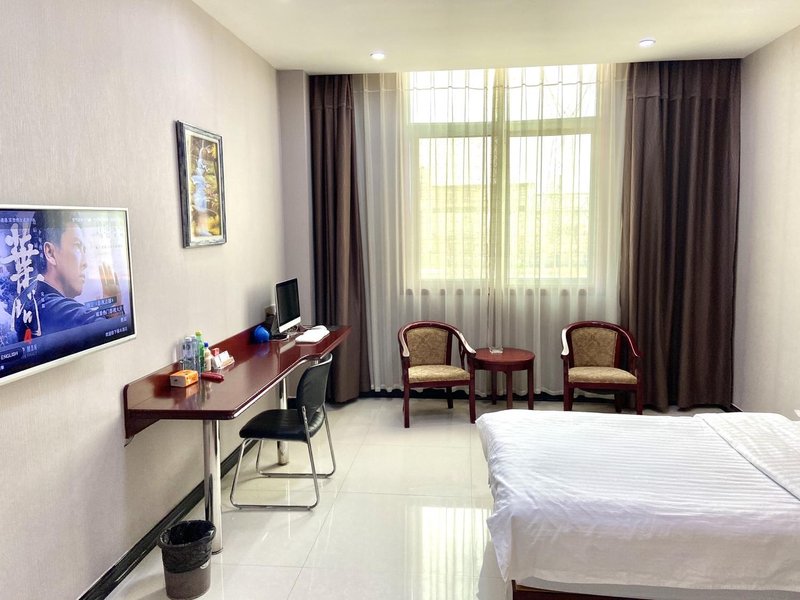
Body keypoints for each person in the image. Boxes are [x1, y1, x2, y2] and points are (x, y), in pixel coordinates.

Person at [15, 210, 120, 341]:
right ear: (50, 253)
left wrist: (109, 307)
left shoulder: (32, 300)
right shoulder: (56, 310)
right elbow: (114, 332)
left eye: (84, 250)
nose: (85, 263)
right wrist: (115, 314)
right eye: (77, 246)